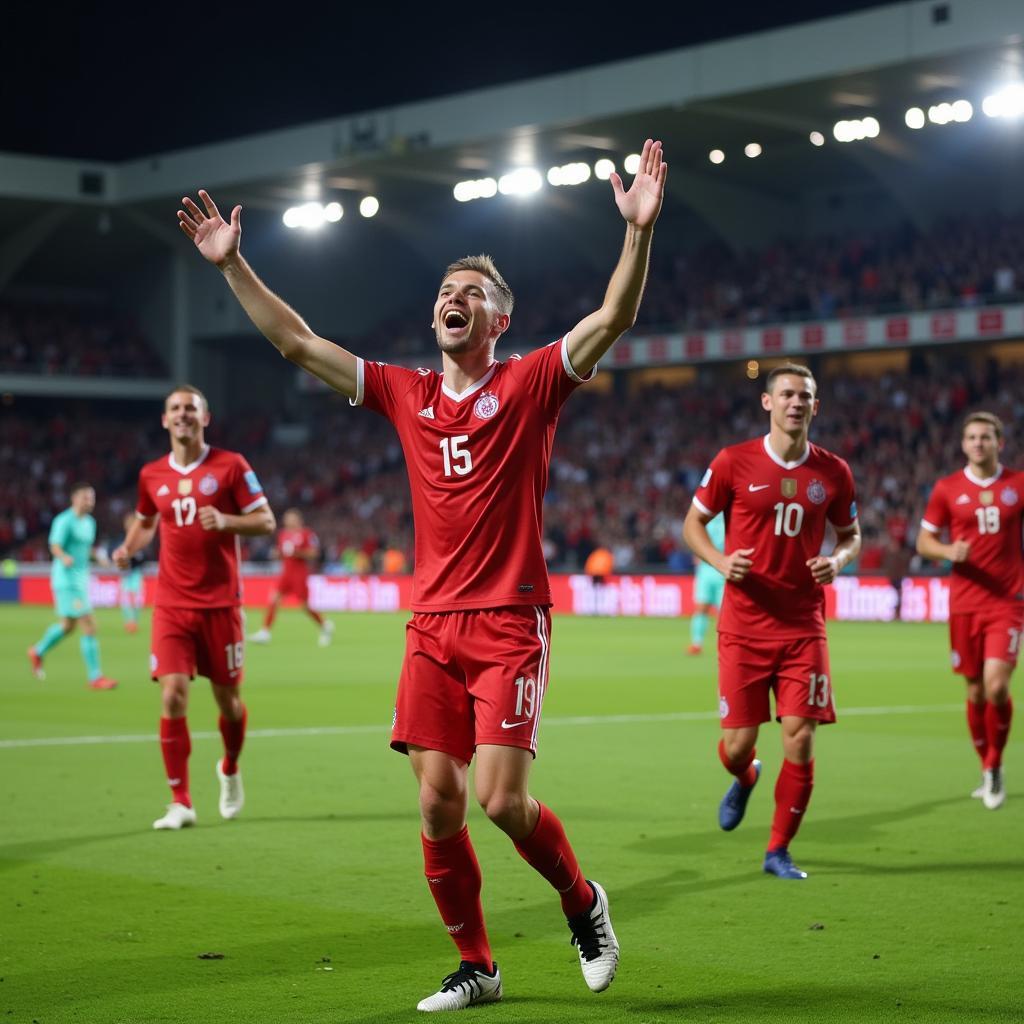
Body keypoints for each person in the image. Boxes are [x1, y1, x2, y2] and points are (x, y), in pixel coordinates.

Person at [177, 136, 667, 1012]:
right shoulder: (404, 393)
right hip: (432, 625)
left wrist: (636, 234)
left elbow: (612, 319)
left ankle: (583, 902)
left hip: (511, 618)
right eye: (446, 292)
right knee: (439, 806)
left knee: (499, 800)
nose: (453, 299)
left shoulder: (528, 385)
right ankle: (478, 966)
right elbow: (296, 343)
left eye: (471, 294)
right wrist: (233, 265)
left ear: (498, 320)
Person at [683, 364, 861, 880]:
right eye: (786, 394)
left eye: (804, 396)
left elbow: (852, 535)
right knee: (737, 746)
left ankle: (778, 850)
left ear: (815, 406)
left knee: (800, 737)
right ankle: (747, 775)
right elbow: (692, 523)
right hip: (743, 625)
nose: (795, 402)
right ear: (768, 402)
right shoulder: (733, 462)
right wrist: (718, 562)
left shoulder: (833, 472)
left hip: (803, 624)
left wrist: (839, 560)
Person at [112, 386, 276, 830]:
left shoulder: (231, 465)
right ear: (165, 420)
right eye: (175, 409)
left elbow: (265, 520)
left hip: (221, 605)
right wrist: (128, 547)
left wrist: (226, 521)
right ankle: (180, 801)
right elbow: (147, 521)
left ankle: (229, 766)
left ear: (206, 418)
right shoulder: (151, 475)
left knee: (229, 703)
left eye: (191, 408)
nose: (183, 415)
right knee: (172, 693)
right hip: (171, 603)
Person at [915, 411, 1023, 810]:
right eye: (973, 437)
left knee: (997, 686)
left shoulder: (1018, 484)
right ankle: (986, 766)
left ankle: (995, 764)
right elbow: (923, 541)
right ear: (963, 445)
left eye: (986, 437)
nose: (979, 443)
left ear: (1000, 443)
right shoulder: (947, 489)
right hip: (964, 605)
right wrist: (947, 551)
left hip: (1006, 603)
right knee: (975, 690)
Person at [26, 482, 118, 690]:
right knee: (89, 624)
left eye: (92, 498)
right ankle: (95, 677)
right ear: (74, 498)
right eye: (86, 497)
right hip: (66, 580)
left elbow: (85, 547)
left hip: (81, 580)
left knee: (68, 626)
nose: (90, 502)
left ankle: (37, 651)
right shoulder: (64, 520)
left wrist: (99, 557)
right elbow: (54, 545)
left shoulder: (90, 523)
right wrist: (63, 556)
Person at [249, 507, 333, 646]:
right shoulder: (283, 534)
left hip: (299, 573)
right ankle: (265, 632)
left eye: (290, 518)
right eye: (286, 518)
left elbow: (313, 554)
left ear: (298, 520)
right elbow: (281, 553)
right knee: (273, 599)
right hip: (286, 573)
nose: (287, 521)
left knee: (305, 605)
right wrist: (277, 554)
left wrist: (296, 552)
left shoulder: (307, 534)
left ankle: (325, 625)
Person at [687, 512, 725, 655]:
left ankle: (724, 645)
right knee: (701, 607)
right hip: (705, 568)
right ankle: (697, 643)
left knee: (725, 612)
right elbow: (694, 534)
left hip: (723, 567)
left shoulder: (732, 514)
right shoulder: (705, 514)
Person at [119, 511, 146, 634]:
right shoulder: (122, 539)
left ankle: (134, 621)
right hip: (125, 574)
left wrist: (133, 558)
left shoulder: (140, 539)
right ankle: (128, 621)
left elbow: (143, 558)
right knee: (125, 599)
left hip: (135, 573)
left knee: (136, 599)